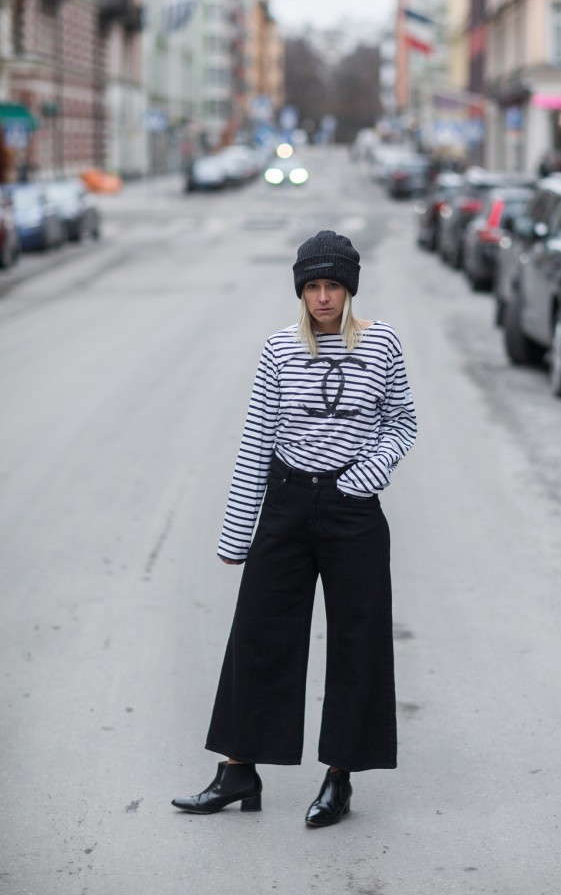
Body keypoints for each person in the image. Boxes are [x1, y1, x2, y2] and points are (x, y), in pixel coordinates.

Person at [172, 230, 417, 827]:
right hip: (285, 504)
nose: (324, 297)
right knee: (258, 633)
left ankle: (340, 776)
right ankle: (237, 771)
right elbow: (256, 441)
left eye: (334, 285)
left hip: (351, 512)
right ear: (302, 292)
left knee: (358, 641)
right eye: (314, 286)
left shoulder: (380, 344)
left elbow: (402, 423)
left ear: (350, 290)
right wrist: (237, 534)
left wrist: (364, 476)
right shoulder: (279, 351)